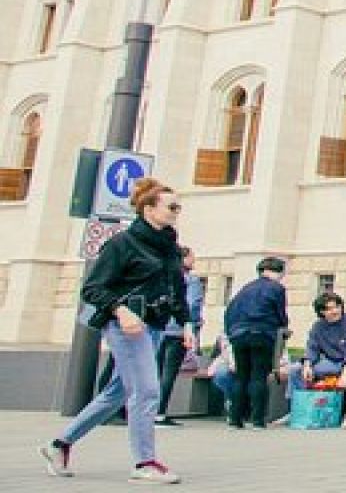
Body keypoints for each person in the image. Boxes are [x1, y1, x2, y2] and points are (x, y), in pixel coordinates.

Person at [41, 177, 193, 485]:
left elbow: (176, 288)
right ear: (148, 209)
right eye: (172, 206)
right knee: (147, 390)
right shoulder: (122, 243)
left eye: (179, 206)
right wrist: (121, 311)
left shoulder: (170, 247)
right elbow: (93, 288)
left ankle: (59, 444)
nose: (177, 212)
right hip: (126, 327)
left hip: (154, 325)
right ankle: (144, 462)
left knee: (117, 393)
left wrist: (186, 324)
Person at [284, 292, 346, 428]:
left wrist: (345, 373)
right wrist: (307, 365)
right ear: (321, 312)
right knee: (295, 369)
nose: (335, 311)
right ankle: (296, 409)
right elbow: (312, 347)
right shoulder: (318, 326)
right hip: (334, 362)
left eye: (337, 307)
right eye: (329, 309)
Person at [223, 256, 289, 430]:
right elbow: (280, 314)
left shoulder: (245, 288)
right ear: (278, 272)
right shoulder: (277, 288)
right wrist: (283, 328)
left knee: (241, 376)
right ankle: (258, 419)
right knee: (259, 375)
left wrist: (231, 333)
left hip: (238, 334)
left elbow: (230, 311)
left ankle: (235, 419)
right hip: (262, 333)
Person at [153, 247, 204, 427]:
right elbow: (192, 303)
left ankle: (149, 411)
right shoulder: (191, 280)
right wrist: (192, 323)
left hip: (160, 328)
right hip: (179, 331)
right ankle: (159, 412)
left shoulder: (163, 276)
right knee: (169, 372)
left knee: (156, 372)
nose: (194, 260)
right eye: (192, 257)